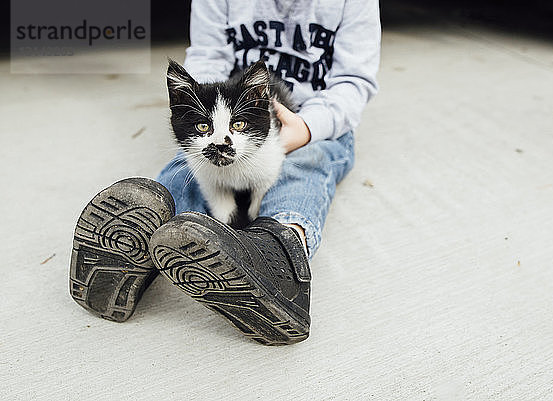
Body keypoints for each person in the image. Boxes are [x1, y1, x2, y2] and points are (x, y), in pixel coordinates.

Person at [69, 0, 380, 345]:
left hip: (312, 121)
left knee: (305, 166)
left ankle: (277, 263)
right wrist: (206, 118)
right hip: (227, 118)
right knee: (188, 168)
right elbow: (207, 57)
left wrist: (307, 128)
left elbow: (353, 81)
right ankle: (135, 243)